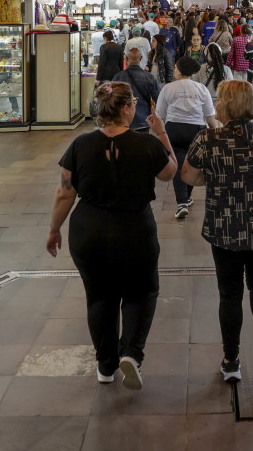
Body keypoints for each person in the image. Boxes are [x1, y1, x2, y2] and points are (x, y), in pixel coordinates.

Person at [48, 81, 179, 390]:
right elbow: (171, 171)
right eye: (133, 103)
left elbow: (65, 194)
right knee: (142, 292)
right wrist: (160, 131)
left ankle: (105, 366)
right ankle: (131, 353)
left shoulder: (79, 145)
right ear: (126, 109)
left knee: (99, 298)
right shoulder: (146, 144)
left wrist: (54, 229)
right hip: (134, 229)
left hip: (89, 231)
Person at [181, 80, 253, 382]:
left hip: (224, 226)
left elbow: (188, 176)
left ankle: (231, 360)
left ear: (226, 105)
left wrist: (214, 179)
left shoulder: (208, 139)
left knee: (229, 293)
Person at [154, 57, 222, 219]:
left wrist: (158, 134)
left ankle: (182, 202)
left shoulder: (168, 88)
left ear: (179, 70)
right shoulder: (201, 89)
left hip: (173, 129)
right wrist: (219, 133)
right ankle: (187, 196)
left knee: (178, 164)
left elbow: (160, 115)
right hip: (196, 131)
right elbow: (210, 117)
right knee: (193, 165)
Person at [114, 47, 161, 131]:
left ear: (126, 58)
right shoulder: (149, 77)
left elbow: (111, 99)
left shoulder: (118, 77)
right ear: (141, 58)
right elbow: (158, 98)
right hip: (144, 120)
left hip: (123, 120)